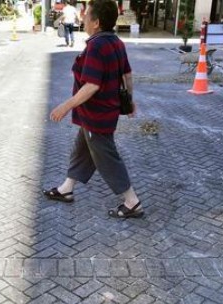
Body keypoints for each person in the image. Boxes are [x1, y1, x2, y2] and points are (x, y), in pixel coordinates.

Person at [46, 0, 143, 219]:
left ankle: (132, 201)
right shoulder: (116, 42)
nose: (83, 17)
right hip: (100, 113)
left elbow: (92, 85)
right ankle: (66, 188)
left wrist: (65, 106)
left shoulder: (96, 46)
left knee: (106, 157)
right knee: (83, 148)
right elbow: (127, 75)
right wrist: (129, 101)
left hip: (96, 114)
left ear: (96, 22)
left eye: (86, 13)